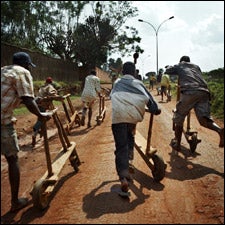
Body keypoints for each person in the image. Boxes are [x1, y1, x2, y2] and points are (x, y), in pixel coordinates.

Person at [1, 52, 52, 212]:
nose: (29, 68)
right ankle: (15, 202)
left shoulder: (3, 70)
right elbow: (28, 100)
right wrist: (41, 115)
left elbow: (15, 97)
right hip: (3, 121)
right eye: (29, 65)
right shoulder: (23, 72)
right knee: (12, 158)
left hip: (7, 115)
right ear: (25, 64)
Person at [110, 61, 161, 193]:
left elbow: (112, 97)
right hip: (133, 118)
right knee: (130, 136)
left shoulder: (117, 83)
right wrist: (155, 110)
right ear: (134, 72)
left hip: (119, 118)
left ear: (122, 73)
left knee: (121, 146)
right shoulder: (140, 84)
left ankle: (123, 178)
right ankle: (129, 161)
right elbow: (153, 105)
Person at [165, 55, 224, 151]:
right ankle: (219, 130)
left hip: (190, 91)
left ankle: (178, 144)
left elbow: (168, 71)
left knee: (179, 116)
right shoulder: (196, 66)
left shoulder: (181, 65)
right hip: (204, 91)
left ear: (181, 61)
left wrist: (168, 66)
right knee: (204, 118)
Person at [32, 77, 59, 147]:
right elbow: (52, 93)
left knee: (40, 118)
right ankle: (35, 129)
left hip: (37, 105)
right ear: (51, 82)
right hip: (43, 105)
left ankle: (39, 131)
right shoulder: (49, 87)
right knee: (46, 117)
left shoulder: (42, 87)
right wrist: (57, 94)